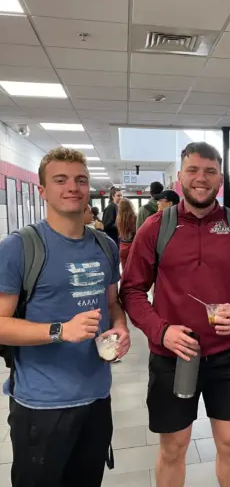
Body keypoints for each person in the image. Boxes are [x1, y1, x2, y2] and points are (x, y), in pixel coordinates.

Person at [120, 141, 230, 487]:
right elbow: (132, 290)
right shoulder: (155, 228)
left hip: (229, 355)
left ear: (221, 178)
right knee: (174, 447)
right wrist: (161, 330)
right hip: (172, 356)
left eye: (210, 171)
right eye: (193, 171)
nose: (201, 178)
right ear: (180, 177)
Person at [0, 147, 131, 487]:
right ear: (42, 190)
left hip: (97, 395)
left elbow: (113, 303)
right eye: (60, 180)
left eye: (80, 180)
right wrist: (61, 330)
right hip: (42, 405)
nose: (72, 187)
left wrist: (120, 327)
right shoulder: (19, 247)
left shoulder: (105, 246)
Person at [116, 198, 137, 270]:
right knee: (134, 270)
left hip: (122, 246)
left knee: (125, 271)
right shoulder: (135, 218)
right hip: (133, 246)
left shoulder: (118, 219)